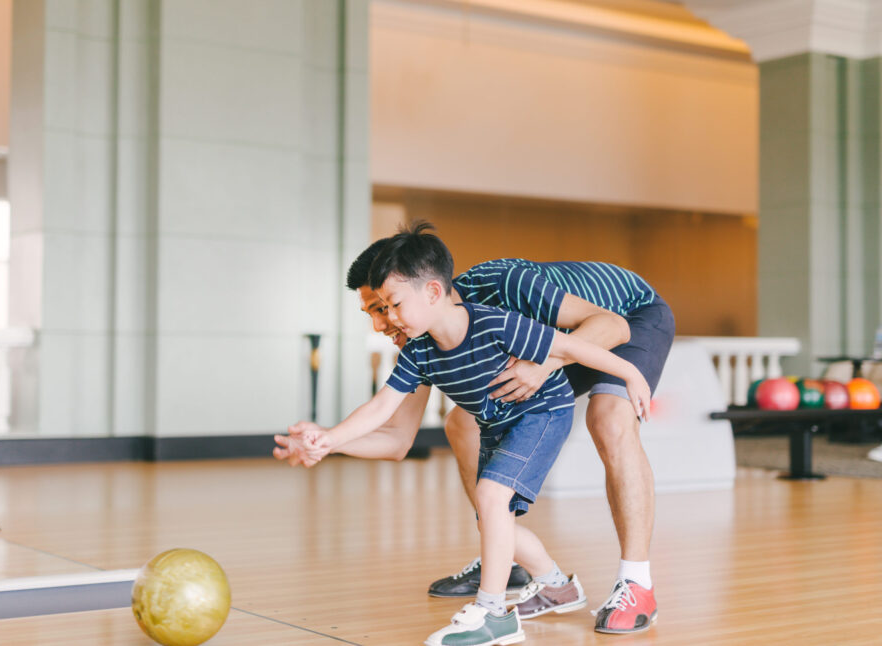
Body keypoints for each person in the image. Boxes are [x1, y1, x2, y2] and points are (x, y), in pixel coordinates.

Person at [275, 234, 674, 635]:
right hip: (550, 346)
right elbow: (397, 438)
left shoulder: (500, 286)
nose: (381, 324)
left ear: (426, 291)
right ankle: (505, 554)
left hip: (627, 316)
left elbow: (612, 326)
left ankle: (637, 582)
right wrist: (327, 441)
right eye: (372, 312)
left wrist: (542, 367)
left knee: (608, 418)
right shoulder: (423, 338)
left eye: (385, 307)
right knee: (460, 424)